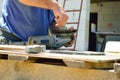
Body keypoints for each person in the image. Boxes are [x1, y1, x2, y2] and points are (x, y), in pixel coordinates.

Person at [0, 0, 74, 47]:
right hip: (13, 41)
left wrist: (63, 37)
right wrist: (54, 5)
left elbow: (51, 21)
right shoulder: (53, 4)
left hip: (38, 45)